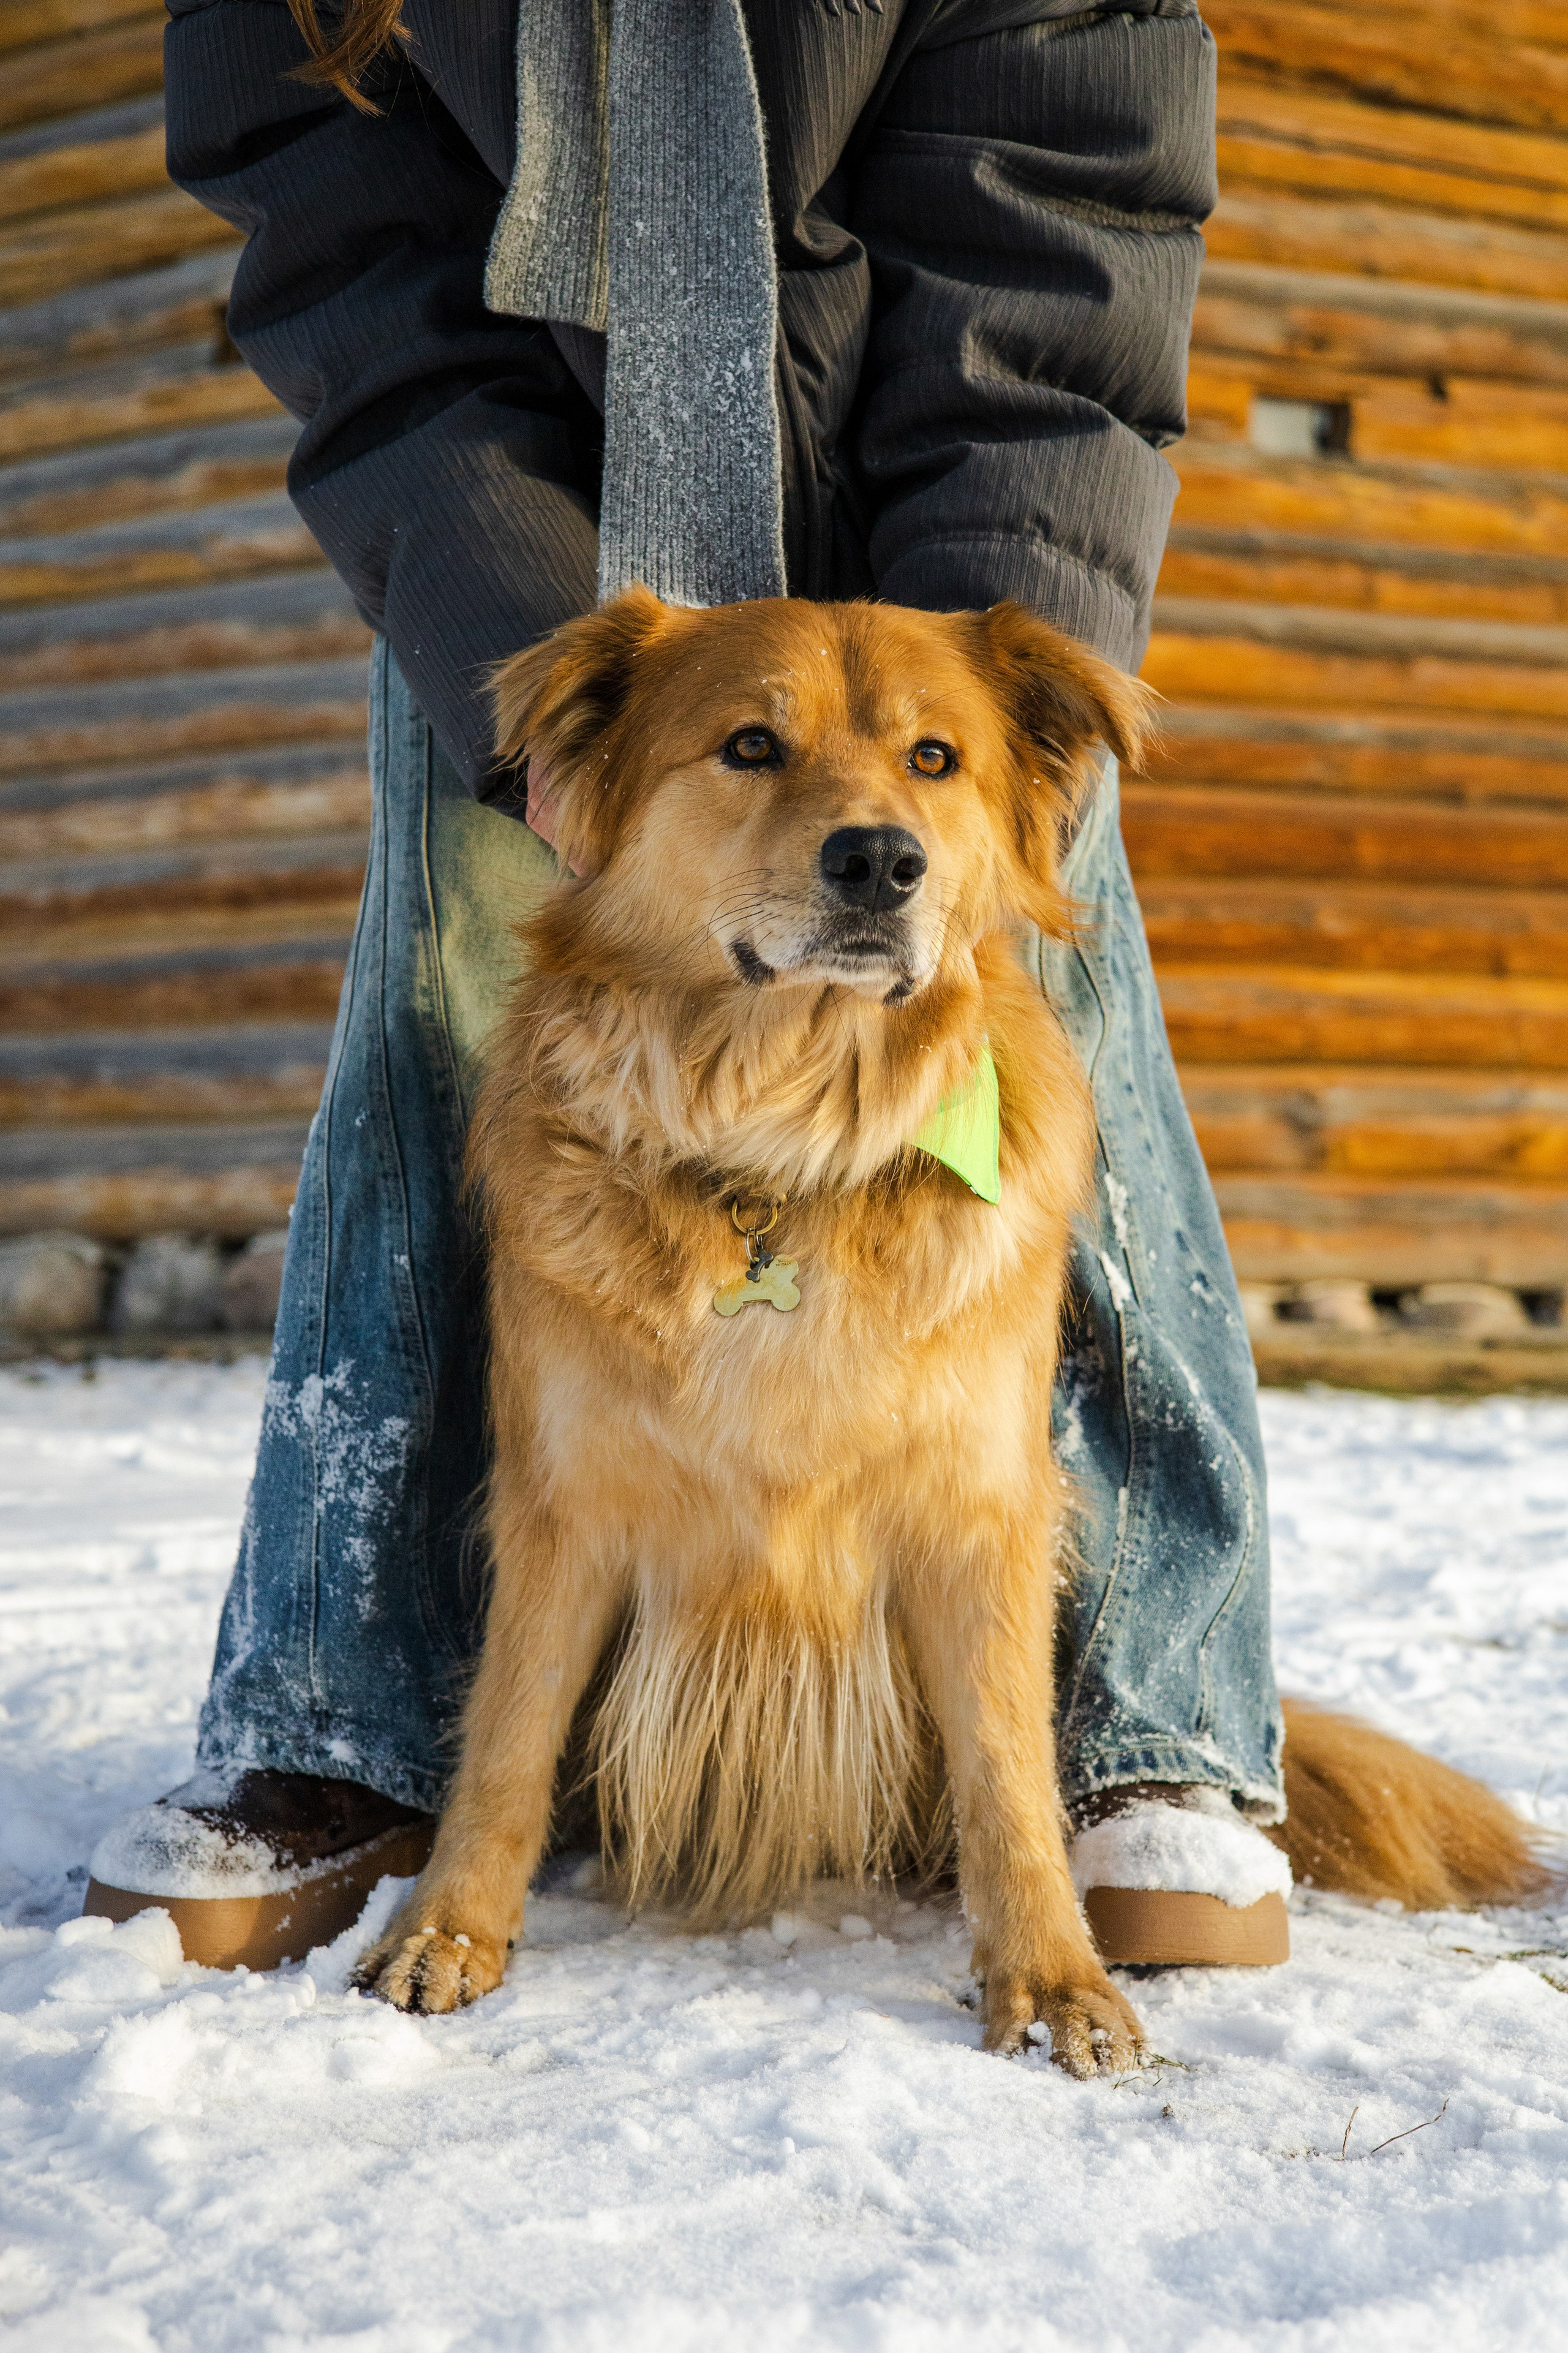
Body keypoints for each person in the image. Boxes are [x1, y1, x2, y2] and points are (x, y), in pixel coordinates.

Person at [86, 0, 1289, 1969]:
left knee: (1051, 1007)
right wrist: (535, 658)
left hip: (949, 467)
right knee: (438, 997)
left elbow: (1060, 186)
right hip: (525, 522)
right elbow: (346, 246)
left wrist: (994, 671)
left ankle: (1152, 1708)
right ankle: (340, 1707)